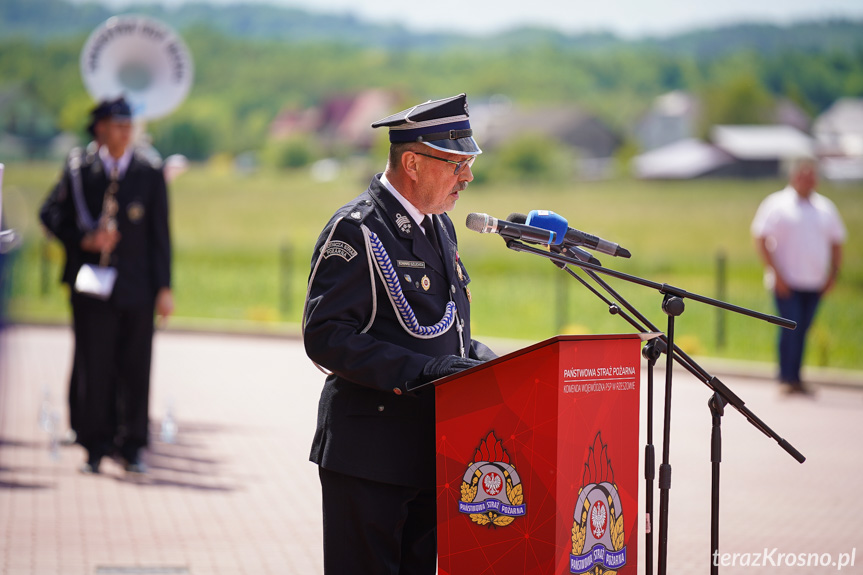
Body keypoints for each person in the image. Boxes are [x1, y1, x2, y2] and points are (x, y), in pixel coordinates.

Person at [303, 93, 497, 574]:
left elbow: (443, 325)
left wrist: (483, 361)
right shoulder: (356, 231)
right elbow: (326, 335)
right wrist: (423, 371)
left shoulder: (439, 227)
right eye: (456, 163)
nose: (466, 177)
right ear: (412, 161)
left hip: (429, 451)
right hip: (370, 452)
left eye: (467, 164)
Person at [39, 97, 174, 474]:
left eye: (129, 125)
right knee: (93, 366)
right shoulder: (81, 170)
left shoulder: (149, 172)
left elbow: (160, 236)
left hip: (138, 287)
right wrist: (84, 241)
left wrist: (164, 287)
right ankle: (93, 445)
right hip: (91, 286)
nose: (125, 131)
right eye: (117, 124)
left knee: (135, 366)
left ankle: (131, 446)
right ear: (99, 128)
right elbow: (49, 214)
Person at [751, 157, 846, 395]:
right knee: (789, 327)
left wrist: (833, 275)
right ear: (794, 177)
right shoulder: (777, 204)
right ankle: (785, 376)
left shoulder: (825, 207)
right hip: (787, 281)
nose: (808, 180)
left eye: (811, 175)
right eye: (803, 175)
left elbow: (837, 242)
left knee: (803, 329)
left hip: (814, 282)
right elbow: (760, 238)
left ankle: (796, 376)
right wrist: (776, 273)